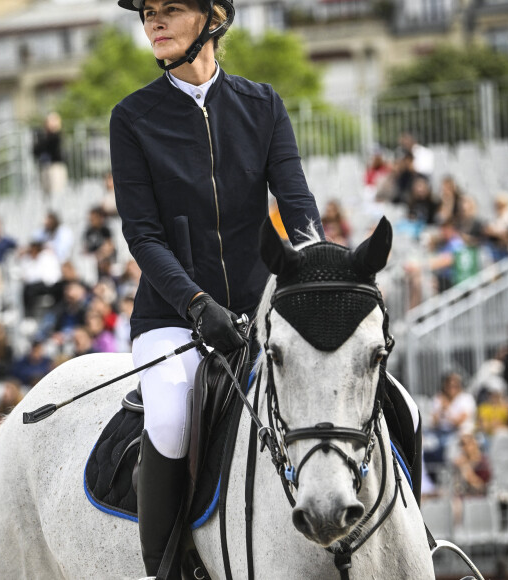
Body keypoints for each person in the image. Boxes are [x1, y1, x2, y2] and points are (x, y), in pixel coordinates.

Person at [110, 0, 324, 576]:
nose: (152, 21)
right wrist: (196, 303)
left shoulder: (263, 104)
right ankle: (166, 566)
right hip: (172, 317)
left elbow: (297, 203)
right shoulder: (131, 118)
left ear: (215, 17)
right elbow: (144, 236)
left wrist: (313, 271)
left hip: (257, 312)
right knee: (172, 419)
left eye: (169, 9)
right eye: (147, 11)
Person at [33, 112, 68, 198]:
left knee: (57, 192)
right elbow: (36, 150)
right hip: (45, 167)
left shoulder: (57, 136)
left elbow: (52, 146)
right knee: (46, 194)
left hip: (56, 167)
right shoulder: (42, 136)